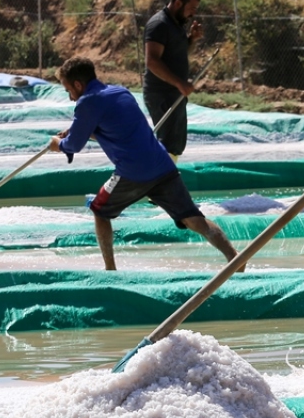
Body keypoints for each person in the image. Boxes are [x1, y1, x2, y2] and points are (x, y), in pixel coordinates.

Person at [50, 56, 238, 271]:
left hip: (133, 172)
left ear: (78, 84)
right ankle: (233, 256)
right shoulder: (120, 92)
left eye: (68, 90)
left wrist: (58, 144)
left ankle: (110, 270)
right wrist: (83, 131)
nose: (70, 97)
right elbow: (116, 131)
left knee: (100, 211)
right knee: (194, 219)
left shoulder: (87, 102)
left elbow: (72, 146)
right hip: (162, 165)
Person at [144, 0, 203, 162]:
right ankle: (159, 182)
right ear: (178, 3)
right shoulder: (159, 24)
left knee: (175, 144)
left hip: (174, 93)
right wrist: (179, 83)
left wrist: (192, 40)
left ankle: (166, 182)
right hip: (161, 93)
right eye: (191, 8)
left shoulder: (176, 25)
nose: (192, 14)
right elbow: (152, 61)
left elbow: (179, 54)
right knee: (167, 143)